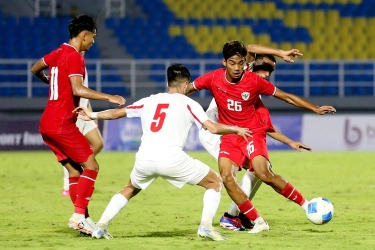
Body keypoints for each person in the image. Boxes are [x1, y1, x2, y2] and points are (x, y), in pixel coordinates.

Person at [73, 64, 251, 241]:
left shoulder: (150, 100)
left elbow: (116, 113)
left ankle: (101, 227)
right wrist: (235, 129)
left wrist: (92, 115)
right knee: (215, 182)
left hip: (144, 159)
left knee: (129, 188)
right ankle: (206, 226)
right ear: (186, 84)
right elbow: (212, 128)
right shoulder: (189, 103)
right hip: (171, 159)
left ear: (168, 82)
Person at [188, 40, 336, 234]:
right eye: (265, 68)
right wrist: (281, 53)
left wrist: (296, 134)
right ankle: (234, 217)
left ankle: (241, 216)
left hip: (241, 132)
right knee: (236, 175)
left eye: (271, 71)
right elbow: (250, 48)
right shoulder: (237, 70)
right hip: (216, 131)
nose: (267, 74)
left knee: (261, 171)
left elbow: (269, 121)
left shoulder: (252, 84)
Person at [31, 14, 125, 235]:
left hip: (47, 124)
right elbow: (78, 89)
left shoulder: (57, 52)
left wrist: (51, 82)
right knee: (92, 166)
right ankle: (78, 216)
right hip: (63, 123)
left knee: (75, 170)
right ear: (84, 35)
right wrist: (109, 97)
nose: (92, 42)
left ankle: (84, 219)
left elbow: (35, 69)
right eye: (92, 37)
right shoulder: (74, 56)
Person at [62, 54, 104, 197]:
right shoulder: (70, 62)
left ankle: (82, 169)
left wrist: (91, 114)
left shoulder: (81, 63)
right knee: (72, 152)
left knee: (98, 143)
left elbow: (84, 92)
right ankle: (67, 184)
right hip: (75, 114)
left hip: (85, 114)